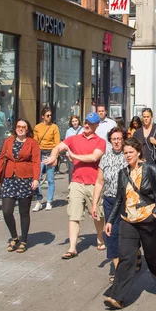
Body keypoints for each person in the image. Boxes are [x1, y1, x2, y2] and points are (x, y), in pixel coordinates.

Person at [103, 138, 156, 309]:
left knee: (151, 253)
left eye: (130, 152)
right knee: (127, 256)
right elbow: (120, 199)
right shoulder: (123, 173)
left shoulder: (151, 169)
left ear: (138, 152)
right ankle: (117, 297)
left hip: (149, 220)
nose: (127, 156)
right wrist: (110, 220)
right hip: (128, 220)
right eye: (125, 153)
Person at [43, 112, 106, 258]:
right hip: (77, 181)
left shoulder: (100, 141)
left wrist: (74, 156)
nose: (86, 125)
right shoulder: (74, 138)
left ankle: (100, 236)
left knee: (97, 214)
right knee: (74, 215)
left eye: (90, 124)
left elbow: (93, 157)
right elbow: (58, 147)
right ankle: (72, 248)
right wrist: (54, 155)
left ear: (96, 125)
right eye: (85, 122)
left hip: (94, 183)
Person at [0, 119, 40, 253]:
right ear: (15, 128)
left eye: (24, 127)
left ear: (27, 129)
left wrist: (36, 179)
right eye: (19, 126)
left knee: (24, 212)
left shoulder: (32, 143)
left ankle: (23, 240)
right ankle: (14, 236)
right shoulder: (8, 141)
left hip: (25, 180)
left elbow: (36, 161)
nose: (21, 129)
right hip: (9, 179)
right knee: (6, 211)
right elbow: (2, 158)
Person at [92, 127, 128, 280]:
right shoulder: (105, 158)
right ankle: (117, 268)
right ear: (110, 140)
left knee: (127, 234)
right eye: (114, 139)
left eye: (119, 138)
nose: (117, 141)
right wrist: (95, 204)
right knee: (112, 234)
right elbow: (99, 182)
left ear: (123, 139)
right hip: (109, 201)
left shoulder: (128, 156)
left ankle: (134, 256)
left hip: (127, 202)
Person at [33, 108, 60, 211]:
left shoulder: (54, 127)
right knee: (37, 177)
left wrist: (55, 157)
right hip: (40, 153)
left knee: (50, 179)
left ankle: (49, 201)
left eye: (50, 115)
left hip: (50, 153)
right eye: (47, 115)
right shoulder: (37, 127)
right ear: (42, 116)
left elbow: (57, 143)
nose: (49, 117)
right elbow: (35, 142)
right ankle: (39, 200)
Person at [64, 115, 84, 183]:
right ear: (71, 122)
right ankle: (71, 186)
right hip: (71, 154)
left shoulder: (83, 130)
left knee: (81, 170)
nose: (75, 123)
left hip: (81, 153)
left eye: (76, 121)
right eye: (73, 121)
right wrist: (67, 153)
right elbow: (66, 143)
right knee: (71, 171)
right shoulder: (69, 131)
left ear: (78, 121)